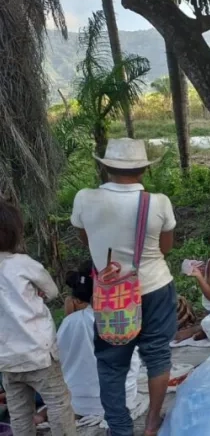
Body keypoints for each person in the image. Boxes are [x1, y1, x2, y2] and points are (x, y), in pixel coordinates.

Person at [71, 138, 176, 436]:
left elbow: (86, 239)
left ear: (105, 167)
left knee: (111, 363)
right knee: (156, 355)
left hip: (109, 296)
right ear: (143, 169)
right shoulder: (158, 203)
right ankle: (152, 421)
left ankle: (119, 428)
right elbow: (166, 247)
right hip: (155, 286)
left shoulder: (84, 198)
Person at [0, 201, 77, 436]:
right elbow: (52, 291)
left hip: (7, 358)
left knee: (19, 412)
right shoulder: (24, 265)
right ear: (15, 233)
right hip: (38, 352)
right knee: (58, 403)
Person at [57, 261, 141, 420]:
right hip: (125, 397)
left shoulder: (71, 322)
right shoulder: (126, 315)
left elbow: (59, 358)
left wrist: (70, 314)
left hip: (82, 404)